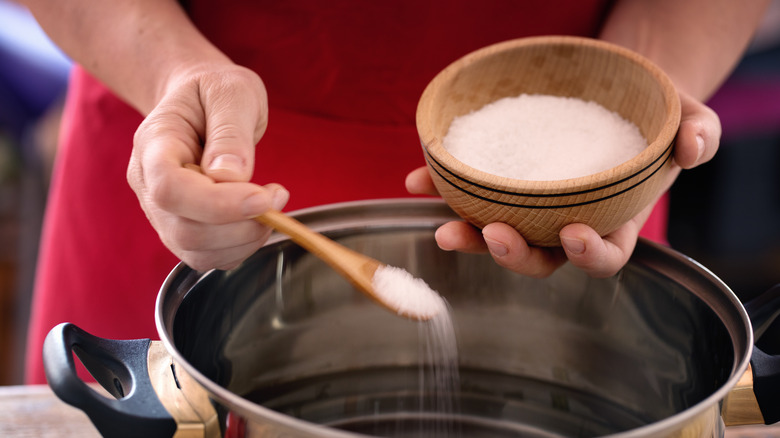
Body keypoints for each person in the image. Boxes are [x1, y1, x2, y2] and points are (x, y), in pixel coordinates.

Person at [18, 0, 768, 384]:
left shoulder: (594, 154)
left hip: (579, 182)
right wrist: (171, 78)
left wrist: (640, 95)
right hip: (194, 129)